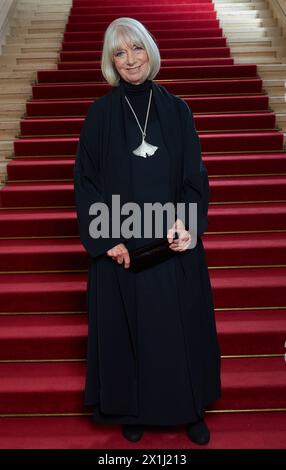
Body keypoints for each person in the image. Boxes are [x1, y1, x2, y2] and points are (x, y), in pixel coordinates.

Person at [73, 17, 221, 445]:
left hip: (173, 240)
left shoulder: (177, 109)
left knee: (180, 329)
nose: (130, 59)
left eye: (136, 48)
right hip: (123, 244)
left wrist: (187, 222)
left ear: (150, 51)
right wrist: (106, 240)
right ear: (111, 62)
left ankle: (190, 408)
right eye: (120, 52)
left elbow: (195, 177)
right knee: (130, 330)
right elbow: (86, 182)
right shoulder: (100, 116)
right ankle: (133, 408)